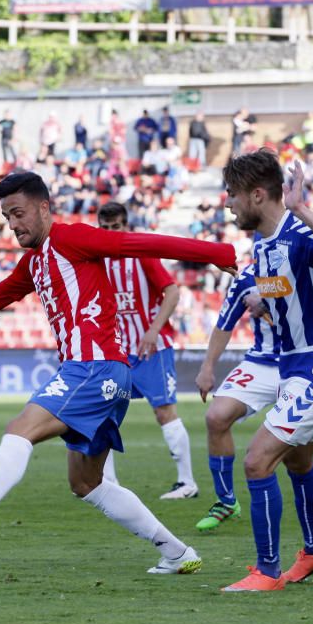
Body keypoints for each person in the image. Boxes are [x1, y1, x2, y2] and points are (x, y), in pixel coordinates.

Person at [0, 171, 239, 574]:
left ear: (44, 208)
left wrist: (218, 253)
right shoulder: (35, 262)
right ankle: (177, 552)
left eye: (19, 213)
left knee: (20, 428)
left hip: (92, 368)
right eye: (7, 217)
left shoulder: (71, 238)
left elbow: (137, 243)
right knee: (86, 484)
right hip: (104, 373)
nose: (13, 225)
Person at [219, 151, 313, 593]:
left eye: (233, 195)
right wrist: (266, 305)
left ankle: (266, 571)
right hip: (293, 367)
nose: (228, 204)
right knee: (299, 460)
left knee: (258, 461)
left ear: (257, 195)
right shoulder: (262, 244)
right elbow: (287, 295)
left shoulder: (299, 231)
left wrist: (303, 208)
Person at [194, 272, 313, 538]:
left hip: (305, 363)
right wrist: (207, 367)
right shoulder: (246, 278)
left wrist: (273, 301)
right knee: (216, 416)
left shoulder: (308, 267)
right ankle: (227, 501)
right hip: (261, 363)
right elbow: (224, 324)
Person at [96, 202, 196, 499]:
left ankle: (187, 482)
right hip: (117, 352)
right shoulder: (97, 259)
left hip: (151, 349)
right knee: (103, 413)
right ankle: (108, 483)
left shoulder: (141, 253)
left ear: (126, 226)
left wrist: (153, 329)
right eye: (106, 229)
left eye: (116, 228)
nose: (111, 233)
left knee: (164, 411)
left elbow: (173, 291)